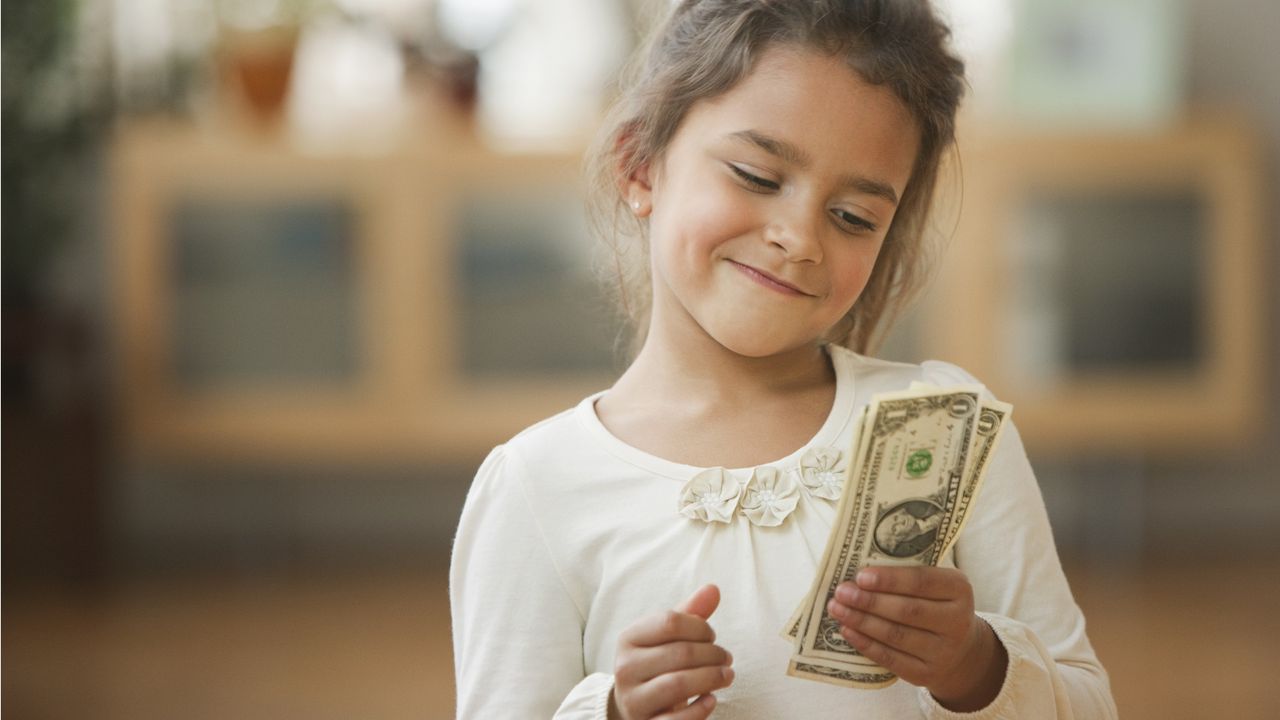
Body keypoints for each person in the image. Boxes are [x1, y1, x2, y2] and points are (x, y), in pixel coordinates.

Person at [450, 1, 1118, 718]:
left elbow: (1088, 702)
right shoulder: (538, 487)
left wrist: (975, 665)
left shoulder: (940, 426)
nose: (799, 237)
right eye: (757, 175)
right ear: (640, 165)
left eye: (853, 217)